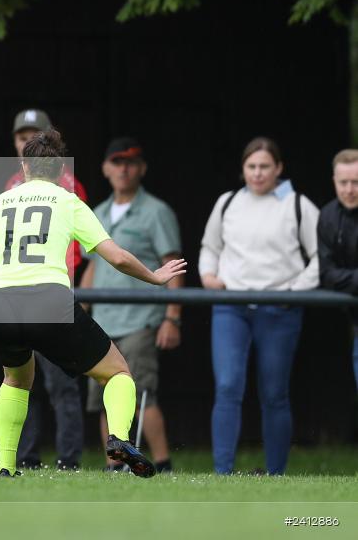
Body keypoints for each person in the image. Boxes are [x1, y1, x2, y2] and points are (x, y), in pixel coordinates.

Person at [0, 129, 186, 478]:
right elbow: (116, 257)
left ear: (24, 166)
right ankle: (119, 439)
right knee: (118, 373)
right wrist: (154, 277)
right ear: (61, 169)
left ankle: (6, 466)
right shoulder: (68, 202)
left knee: (15, 380)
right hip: (48, 301)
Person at [199, 137, 319, 475]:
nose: (257, 173)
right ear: (242, 169)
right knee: (227, 386)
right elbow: (210, 246)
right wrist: (208, 275)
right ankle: (222, 473)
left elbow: (320, 257)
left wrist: (295, 290)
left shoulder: (298, 204)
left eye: (265, 166)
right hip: (231, 307)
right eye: (251, 166)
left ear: (279, 168)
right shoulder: (228, 202)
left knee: (275, 392)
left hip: (280, 309)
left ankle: (276, 474)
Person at [80, 137, 182, 473]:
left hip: (141, 319)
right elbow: (92, 268)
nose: (124, 169)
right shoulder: (97, 213)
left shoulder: (157, 211)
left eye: (131, 162)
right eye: (117, 162)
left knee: (142, 394)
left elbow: (172, 265)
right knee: (105, 398)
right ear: (105, 169)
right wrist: (80, 312)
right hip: (103, 321)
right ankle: (114, 467)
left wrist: (172, 317)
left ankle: (163, 463)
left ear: (142, 168)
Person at [9, 109, 87, 471]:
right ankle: (26, 457)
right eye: (21, 135)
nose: (27, 141)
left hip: (53, 295)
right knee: (21, 381)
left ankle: (68, 459)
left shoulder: (68, 185)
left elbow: (76, 246)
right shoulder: (11, 184)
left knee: (61, 383)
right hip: (17, 296)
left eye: (35, 134)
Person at [318, 148, 358, 394]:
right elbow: (327, 274)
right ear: (334, 181)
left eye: (356, 182)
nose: (349, 190)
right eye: (344, 182)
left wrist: (346, 279)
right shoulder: (328, 216)